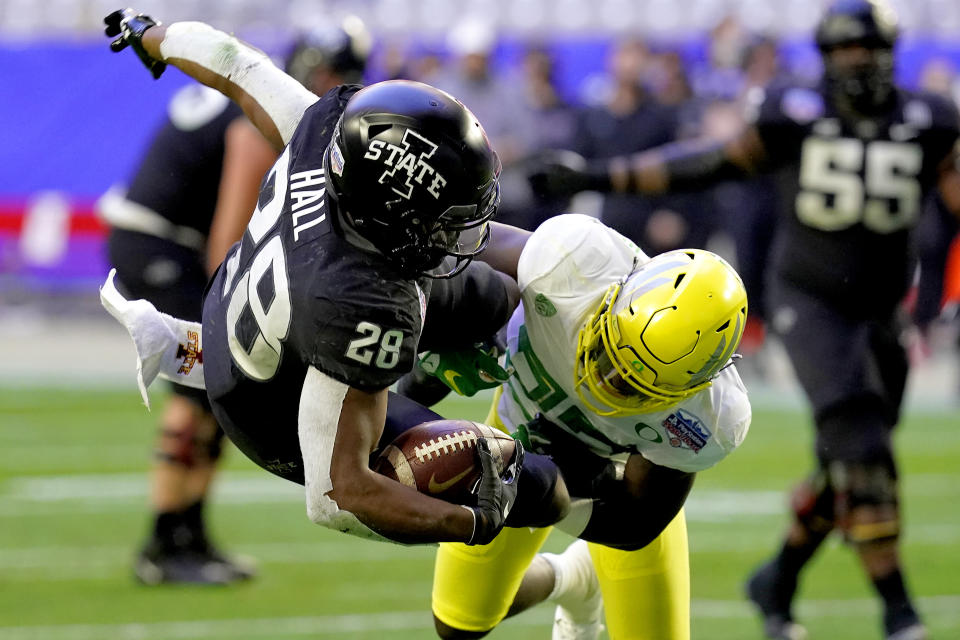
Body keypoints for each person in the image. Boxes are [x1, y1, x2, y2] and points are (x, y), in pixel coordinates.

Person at [530, 2, 960, 638]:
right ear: (826, 56)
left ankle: (777, 581)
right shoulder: (795, 113)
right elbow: (708, 160)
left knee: (845, 460)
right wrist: (598, 175)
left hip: (881, 311)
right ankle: (900, 613)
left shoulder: (929, 120)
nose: (857, 62)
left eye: (867, 49)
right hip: (810, 300)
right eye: (844, 51)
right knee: (861, 446)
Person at [101, 8, 568, 548]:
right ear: (396, 215)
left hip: (265, 305)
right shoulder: (361, 301)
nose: (454, 231)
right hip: (273, 410)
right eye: (440, 217)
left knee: (500, 298)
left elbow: (236, 64)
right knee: (540, 486)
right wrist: (467, 523)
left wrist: (151, 36)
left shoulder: (325, 131)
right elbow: (337, 495)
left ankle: (440, 358)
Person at [97, 19, 373, 585]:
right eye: (332, 75)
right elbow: (227, 245)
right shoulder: (257, 121)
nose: (334, 87)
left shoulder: (257, 89)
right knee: (206, 377)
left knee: (225, 383)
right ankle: (164, 542)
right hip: (159, 240)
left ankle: (188, 536)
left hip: (164, 237)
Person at [408, 214, 750, 640]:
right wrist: (457, 323)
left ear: (694, 387)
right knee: (458, 622)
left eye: (634, 383)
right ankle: (572, 579)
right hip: (510, 443)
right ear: (614, 296)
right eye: (612, 354)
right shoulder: (570, 262)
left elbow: (635, 524)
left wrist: (563, 488)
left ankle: (586, 569)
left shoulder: (707, 418)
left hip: (606, 488)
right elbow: (444, 245)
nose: (609, 381)